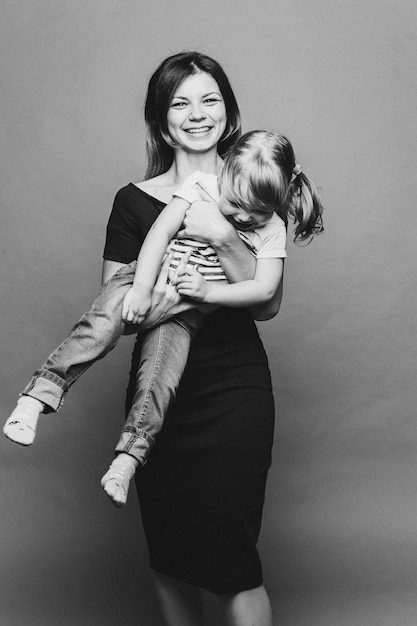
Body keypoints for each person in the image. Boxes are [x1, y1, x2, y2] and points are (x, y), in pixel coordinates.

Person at [7, 52, 323, 626]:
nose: (196, 114)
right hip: (159, 387)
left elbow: (268, 302)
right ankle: (43, 394)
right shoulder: (132, 201)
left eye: (209, 100)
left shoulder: (253, 186)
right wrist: (175, 294)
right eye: (180, 102)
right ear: (160, 119)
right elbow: (121, 306)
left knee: (230, 560)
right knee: (171, 556)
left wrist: (220, 236)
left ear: (228, 113)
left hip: (234, 389)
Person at [4, 130, 322, 511]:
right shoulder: (201, 186)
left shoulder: (270, 227)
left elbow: (264, 291)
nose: (243, 216)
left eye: (257, 211)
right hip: (144, 278)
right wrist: (141, 288)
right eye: (236, 203)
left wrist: (208, 294)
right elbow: (160, 232)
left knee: (160, 380)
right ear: (225, 178)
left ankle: (126, 461)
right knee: (100, 326)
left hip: (187, 316)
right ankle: (38, 396)